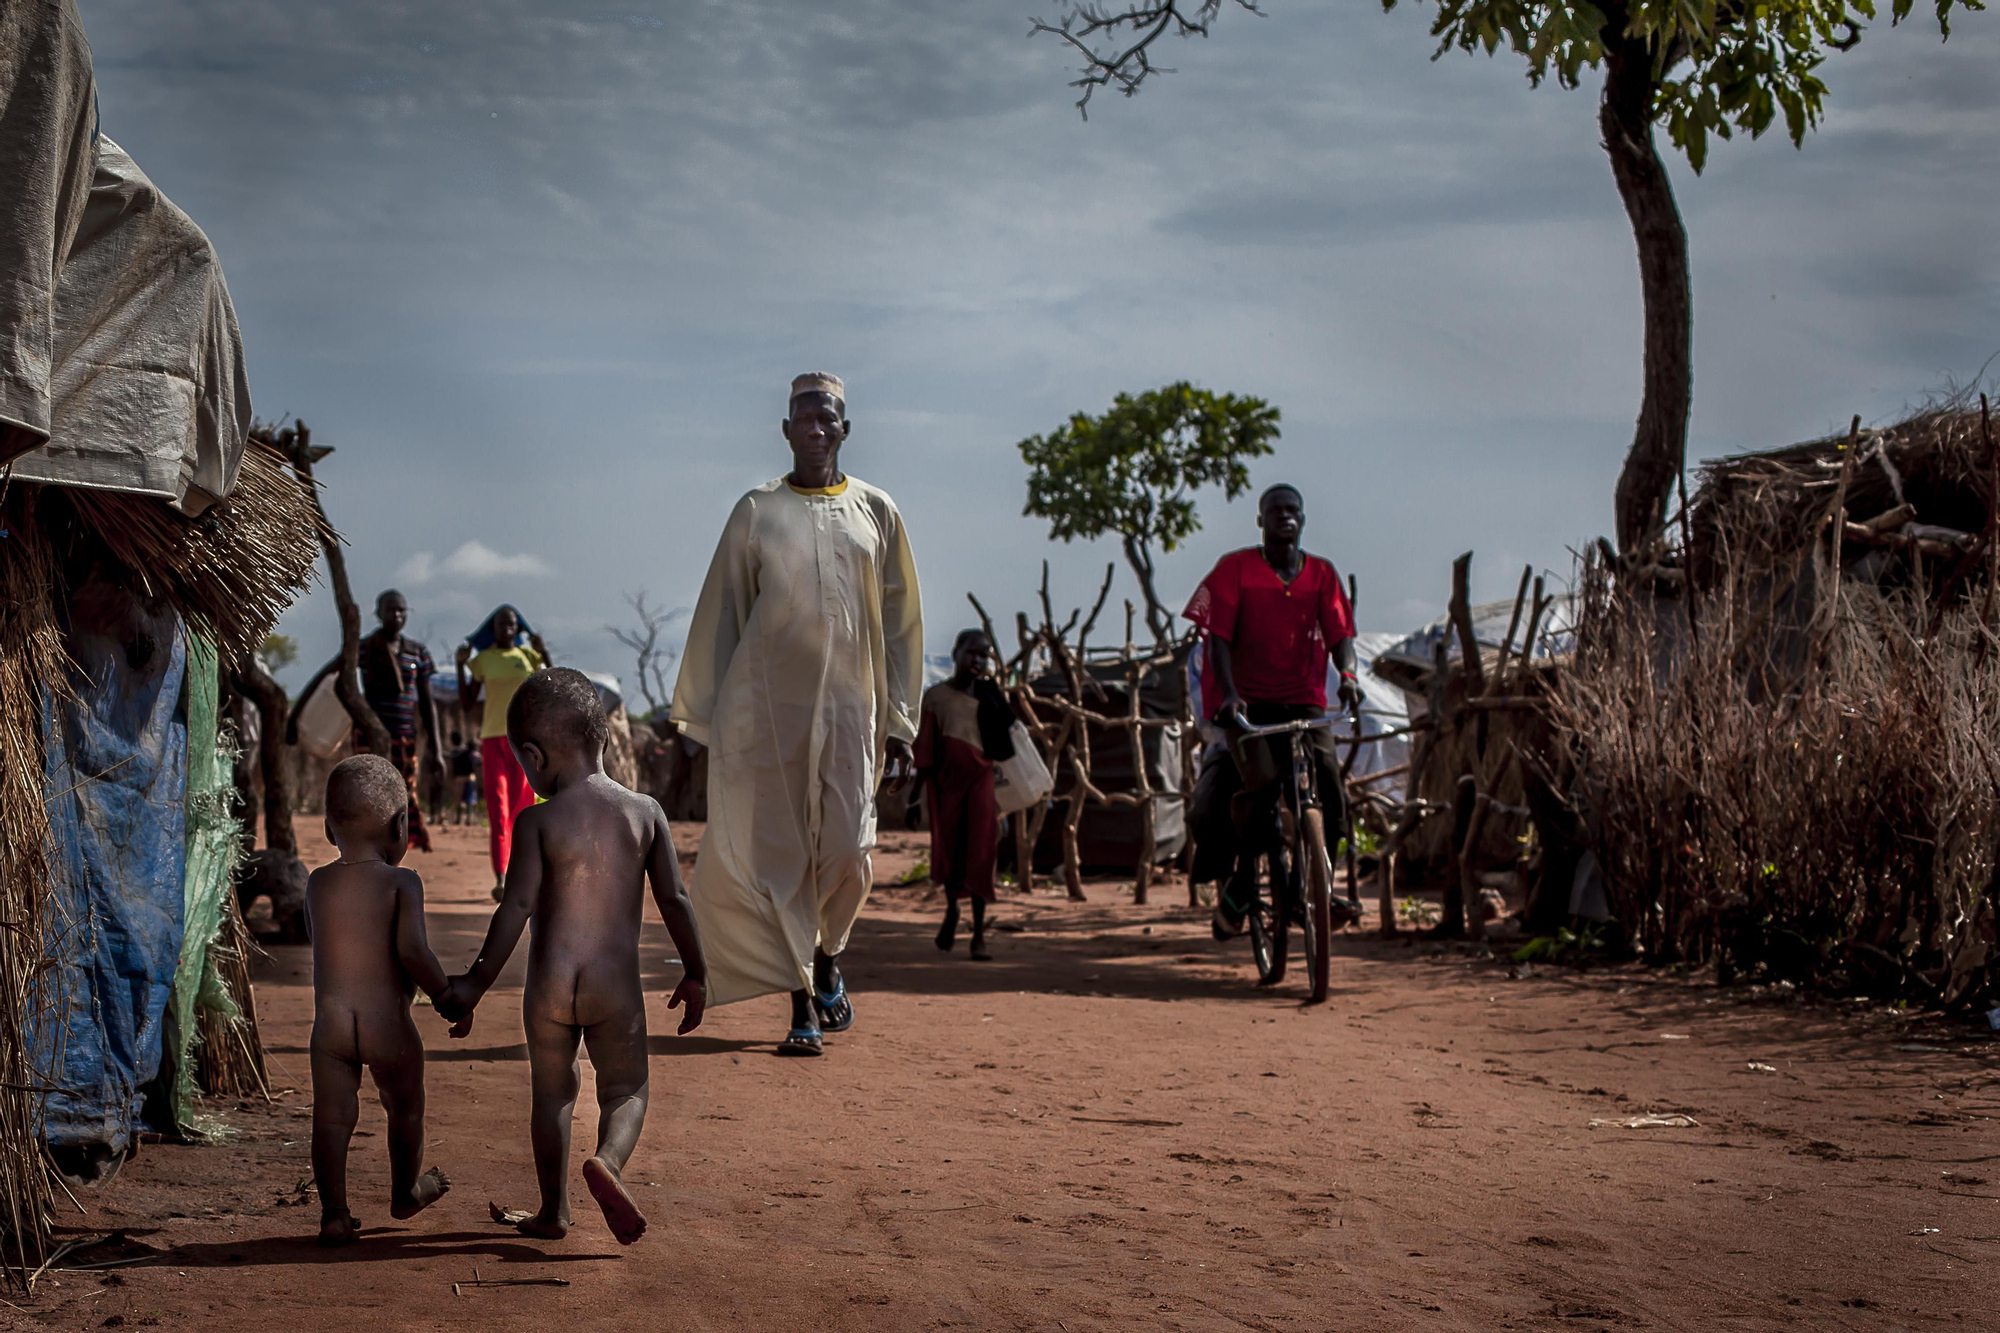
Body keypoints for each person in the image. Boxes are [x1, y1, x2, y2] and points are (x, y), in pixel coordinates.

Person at [671, 372, 922, 1057]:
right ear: (785, 431)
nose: (815, 428)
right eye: (803, 418)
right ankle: (802, 1001)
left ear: (845, 428)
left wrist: (901, 722)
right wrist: (705, 715)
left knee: (849, 850)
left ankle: (828, 953)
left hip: (853, 709)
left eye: (827, 418)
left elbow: (902, 623)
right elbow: (724, 610)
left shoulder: (877, 510)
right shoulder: (756, 510)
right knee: (782, 856)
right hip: (767, 712)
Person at [438, 669, 707, 1244]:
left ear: (533, 756)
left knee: (553, 1093)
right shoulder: (644, 813)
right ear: (602, 737)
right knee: (626, 1088)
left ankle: (553, 1210)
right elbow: (675, 900)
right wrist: (696, 972)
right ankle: (608, 1161)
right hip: (616, 987)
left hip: (550, 987)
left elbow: (515, 908)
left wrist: (474, 985)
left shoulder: (536, 821)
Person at [1182, 484, 1361, 940]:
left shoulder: (1321, 574)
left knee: (1329, 786)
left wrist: (1349, 677)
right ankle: (1244, 878)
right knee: (1260, 786)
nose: (1285, 515)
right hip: (1247, 702)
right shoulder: (1236, 569)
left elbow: (1341, 635)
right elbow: (1217, 638)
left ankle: (1317, 884)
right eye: (1275, 510)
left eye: (1292, 509)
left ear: (1303, 519)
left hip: (1303, 698)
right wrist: (1229, 694)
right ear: (1260, 520)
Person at [307, 754, 467, 1248]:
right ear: (401, 826)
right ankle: (404, 1192)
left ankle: (335, 1214)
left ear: (330, 829)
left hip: (330, 1028)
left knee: (331, 1118)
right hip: (388, 1026)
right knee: (405, 1107)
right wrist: (446, 996)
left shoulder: (317, 883)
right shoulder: (402, 883)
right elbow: (413, 951)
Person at [290, 590, 444, 853]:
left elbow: (428, 702)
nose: (396, 615)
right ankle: (367, 845)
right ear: (379, 614)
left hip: (404, 736)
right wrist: (294, 718)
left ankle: (394, 847)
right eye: (390, 610)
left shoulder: (418, 653)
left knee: (403, 792)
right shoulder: (364, 648)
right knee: (368, 791)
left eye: (401, 610)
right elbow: (326, 674)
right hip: (369, 734)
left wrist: (436, 748)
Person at [914, 629, 1016, 962]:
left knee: (981, 853)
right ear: (956, 653)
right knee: (950, 851)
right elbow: (925, 749)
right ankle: (951, 910)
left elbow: (1005, 741)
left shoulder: (990, 696)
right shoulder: (936, 697)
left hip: (980, 784)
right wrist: (914, 797)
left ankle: (979, 935)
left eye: (984, 655)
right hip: (945, 787)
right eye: (972, 652)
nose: (978, 660)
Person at [455, 605, 548, 900]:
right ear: (492, 629)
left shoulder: (529, 657)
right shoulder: (483, 660)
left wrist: (544, 653)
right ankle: (501, 876)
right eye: (500, 624)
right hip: (493, 740)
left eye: (511, 624)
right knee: (499, 810)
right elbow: (467, 703)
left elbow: (551, 687)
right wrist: (459, 665)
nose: (506, 629)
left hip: (524, 742)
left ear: (518, 628)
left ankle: (524, 874)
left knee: (523, 810)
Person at [447, 730, 481, 826]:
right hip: (470, 778)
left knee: (459, 800)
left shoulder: (456, 752)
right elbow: (479, 762)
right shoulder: (471, 753)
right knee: (470, 799)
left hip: (459, 779)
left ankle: (459, 819)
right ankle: (468, 819)